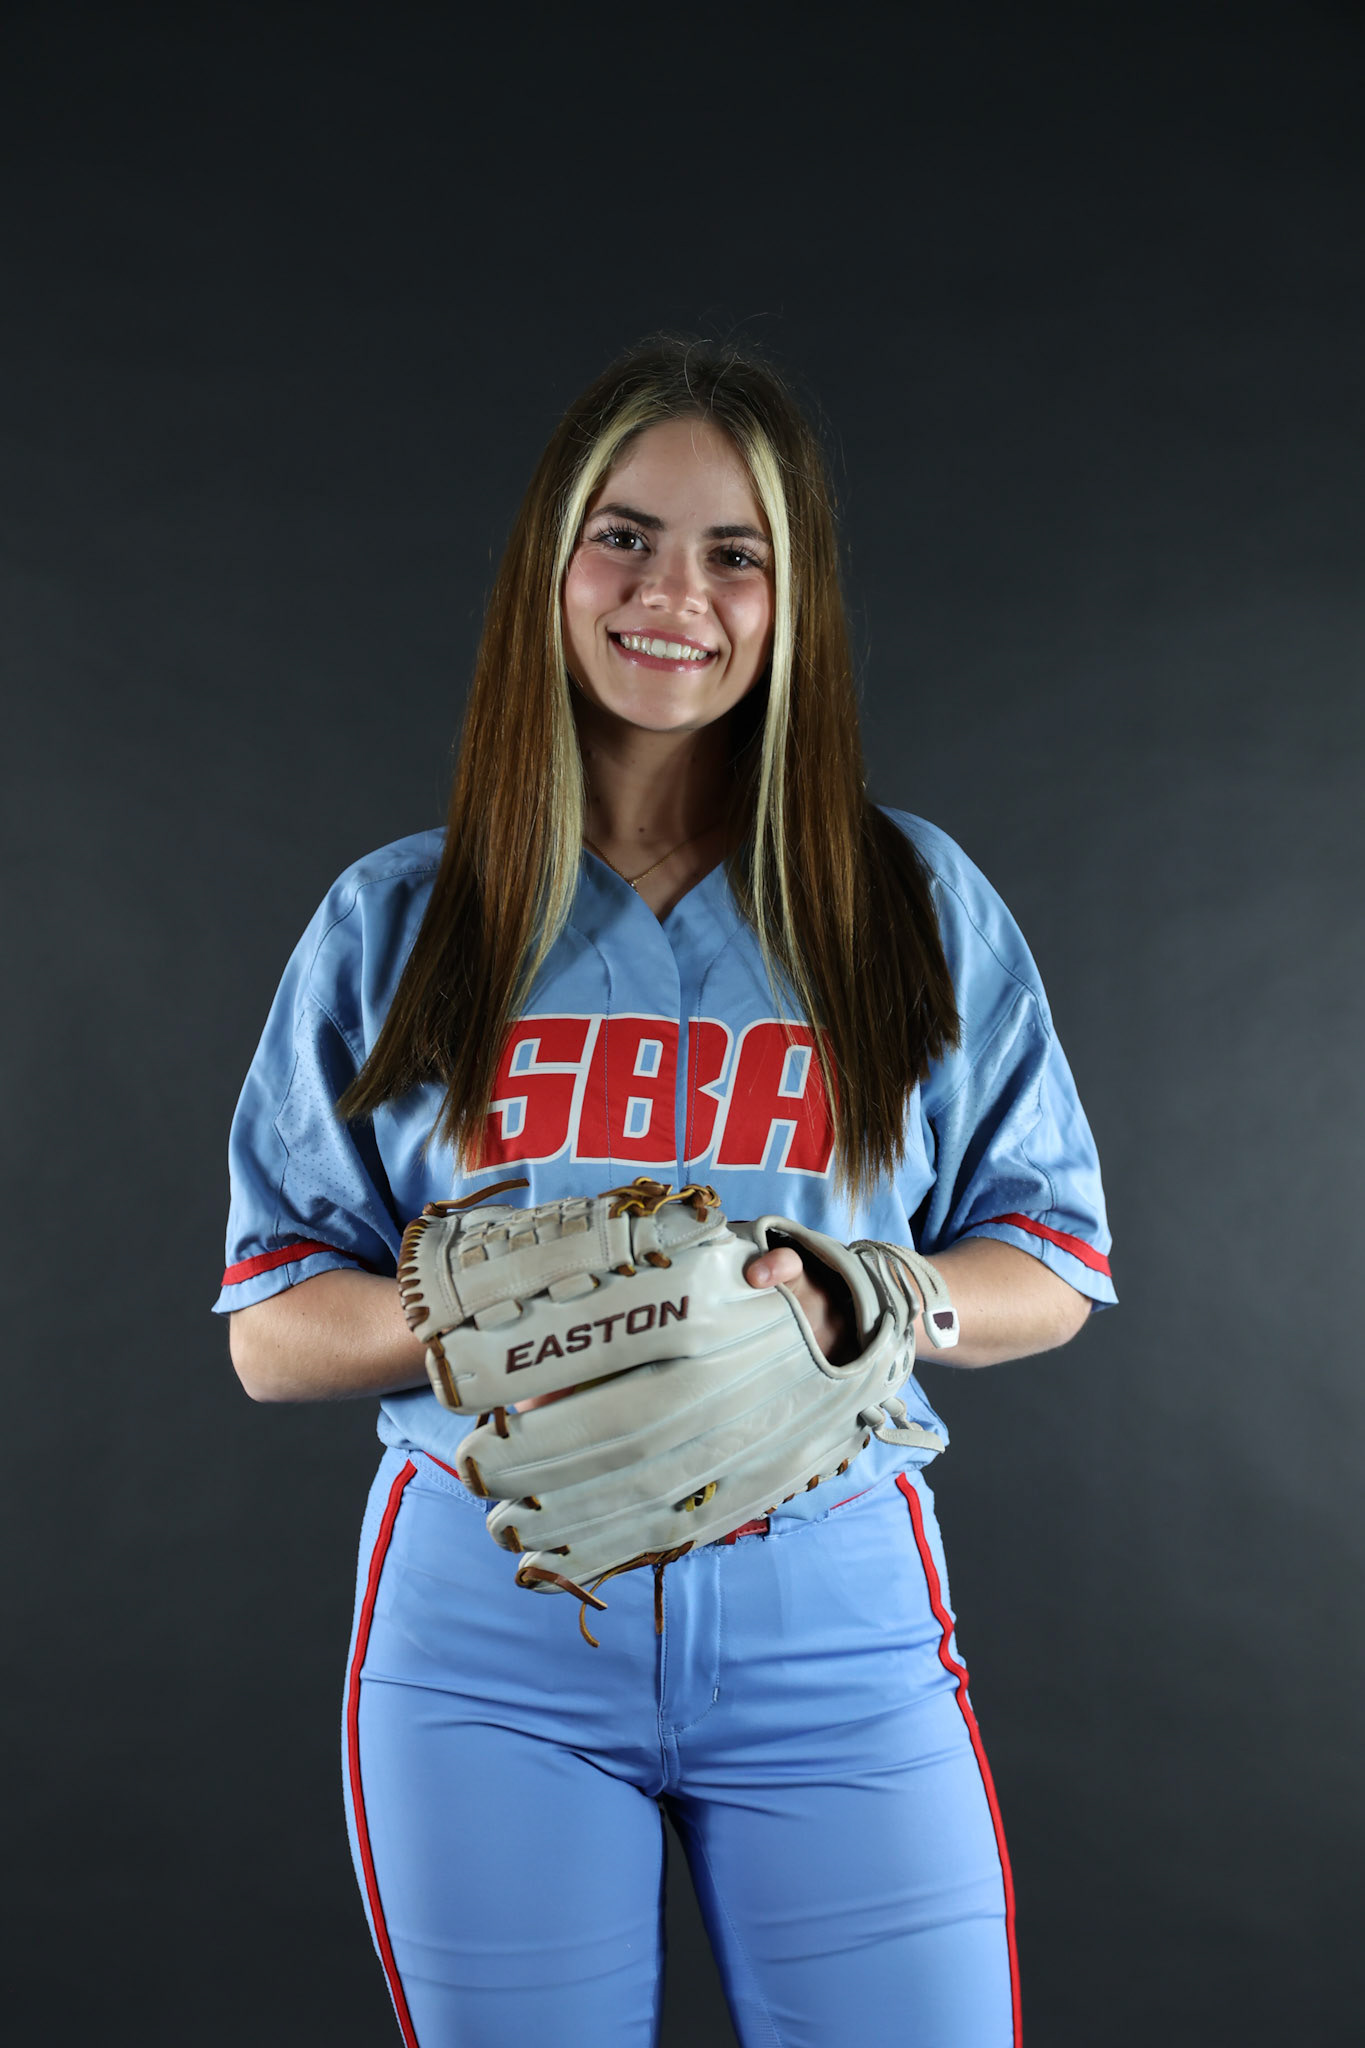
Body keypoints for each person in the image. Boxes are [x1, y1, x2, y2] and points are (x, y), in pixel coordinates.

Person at [217, 337, 1115, 2048]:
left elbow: (1051, 1259)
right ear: (551, 568)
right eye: (622, 536)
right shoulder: (401, 919)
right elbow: (272, 1329)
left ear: (793, 602)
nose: (670, 594)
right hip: (492, 1640)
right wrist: (516, 1300)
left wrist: (886, 1291)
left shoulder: (909, 902)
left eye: (733, 553)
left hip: (835, 1619)